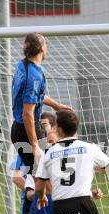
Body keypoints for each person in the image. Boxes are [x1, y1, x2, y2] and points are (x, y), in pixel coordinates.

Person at [11, 32, 72, 177]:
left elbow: (35, 95)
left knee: (40, 177)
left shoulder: (22, 65)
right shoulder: (34, 76)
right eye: (46, 44)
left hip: (19, 129)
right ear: (42, 49)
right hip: (28, 130)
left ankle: (35, 197)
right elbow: (27, 114)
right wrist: (35, 145)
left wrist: (55, 105)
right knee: (44, 177)